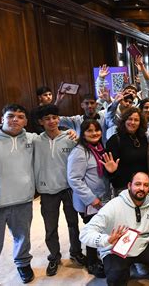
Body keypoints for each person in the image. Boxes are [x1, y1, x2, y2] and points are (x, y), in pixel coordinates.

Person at [79, 172, 149, 286]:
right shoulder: (113, 206)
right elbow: (85, 233)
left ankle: (139, 263)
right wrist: (106, 240)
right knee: (116, 276)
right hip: (115, 249)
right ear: (129, 185)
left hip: (141, 245)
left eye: (146, 185)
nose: (141, 188)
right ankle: (122, 270)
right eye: (137, 184)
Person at [33, 105, 86, 276]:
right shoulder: (34, 140)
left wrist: (76, 136)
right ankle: (54, 257)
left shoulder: (70, 138)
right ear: (41, 122)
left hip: (69, 189)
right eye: (47, 118)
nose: (52, 121)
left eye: (54, 117)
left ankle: (76, 252)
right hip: (48, 191)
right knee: (50, 227)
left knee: (73, 224)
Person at [67, 119, 118, 278]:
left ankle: (99, 256)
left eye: (96, 130)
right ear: (83, 133)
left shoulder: (100, 148)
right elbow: (74, 179)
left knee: (101, 228)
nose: (94, 133)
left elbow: (103, 174)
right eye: (89, 131)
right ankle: (92, 262)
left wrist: (112, 171)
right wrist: (91, 199)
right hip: (89, 202)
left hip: (102, 197)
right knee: (92, 230)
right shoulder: (80, 151)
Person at [0, 104, 36, 284]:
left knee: (22, 236)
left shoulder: (32, 139)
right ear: (2, 118)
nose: (15, 120)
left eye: (20, 116)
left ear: (25, 121)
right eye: (11, 116)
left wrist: (70, 133)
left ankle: (23, 263)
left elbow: (53, 137)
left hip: (23, 199)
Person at [106, 107, 148, 194]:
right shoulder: (115, 140)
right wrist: (112, 172)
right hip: (123, 187)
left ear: (140, 123)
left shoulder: (143, 138)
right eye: (130, 119)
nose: (132, 122)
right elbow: (110, 168)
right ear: (124, 121)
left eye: (136, 120)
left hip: (141, 185)